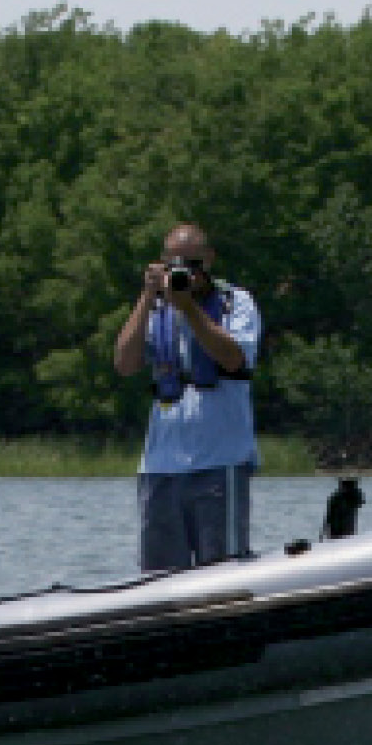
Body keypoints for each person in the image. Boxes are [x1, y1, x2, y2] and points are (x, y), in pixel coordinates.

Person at [112, 223, 262, 572]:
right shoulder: (156, 309)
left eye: (193, 264)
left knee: (221, 573)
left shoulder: (235, 302)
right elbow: (124, 363)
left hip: (219, 461)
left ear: (209, 259)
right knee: (158, 578)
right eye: (175, 264)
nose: (186, 273)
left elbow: (232, 358)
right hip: (161, 467)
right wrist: (148, 297)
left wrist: (190, 308)